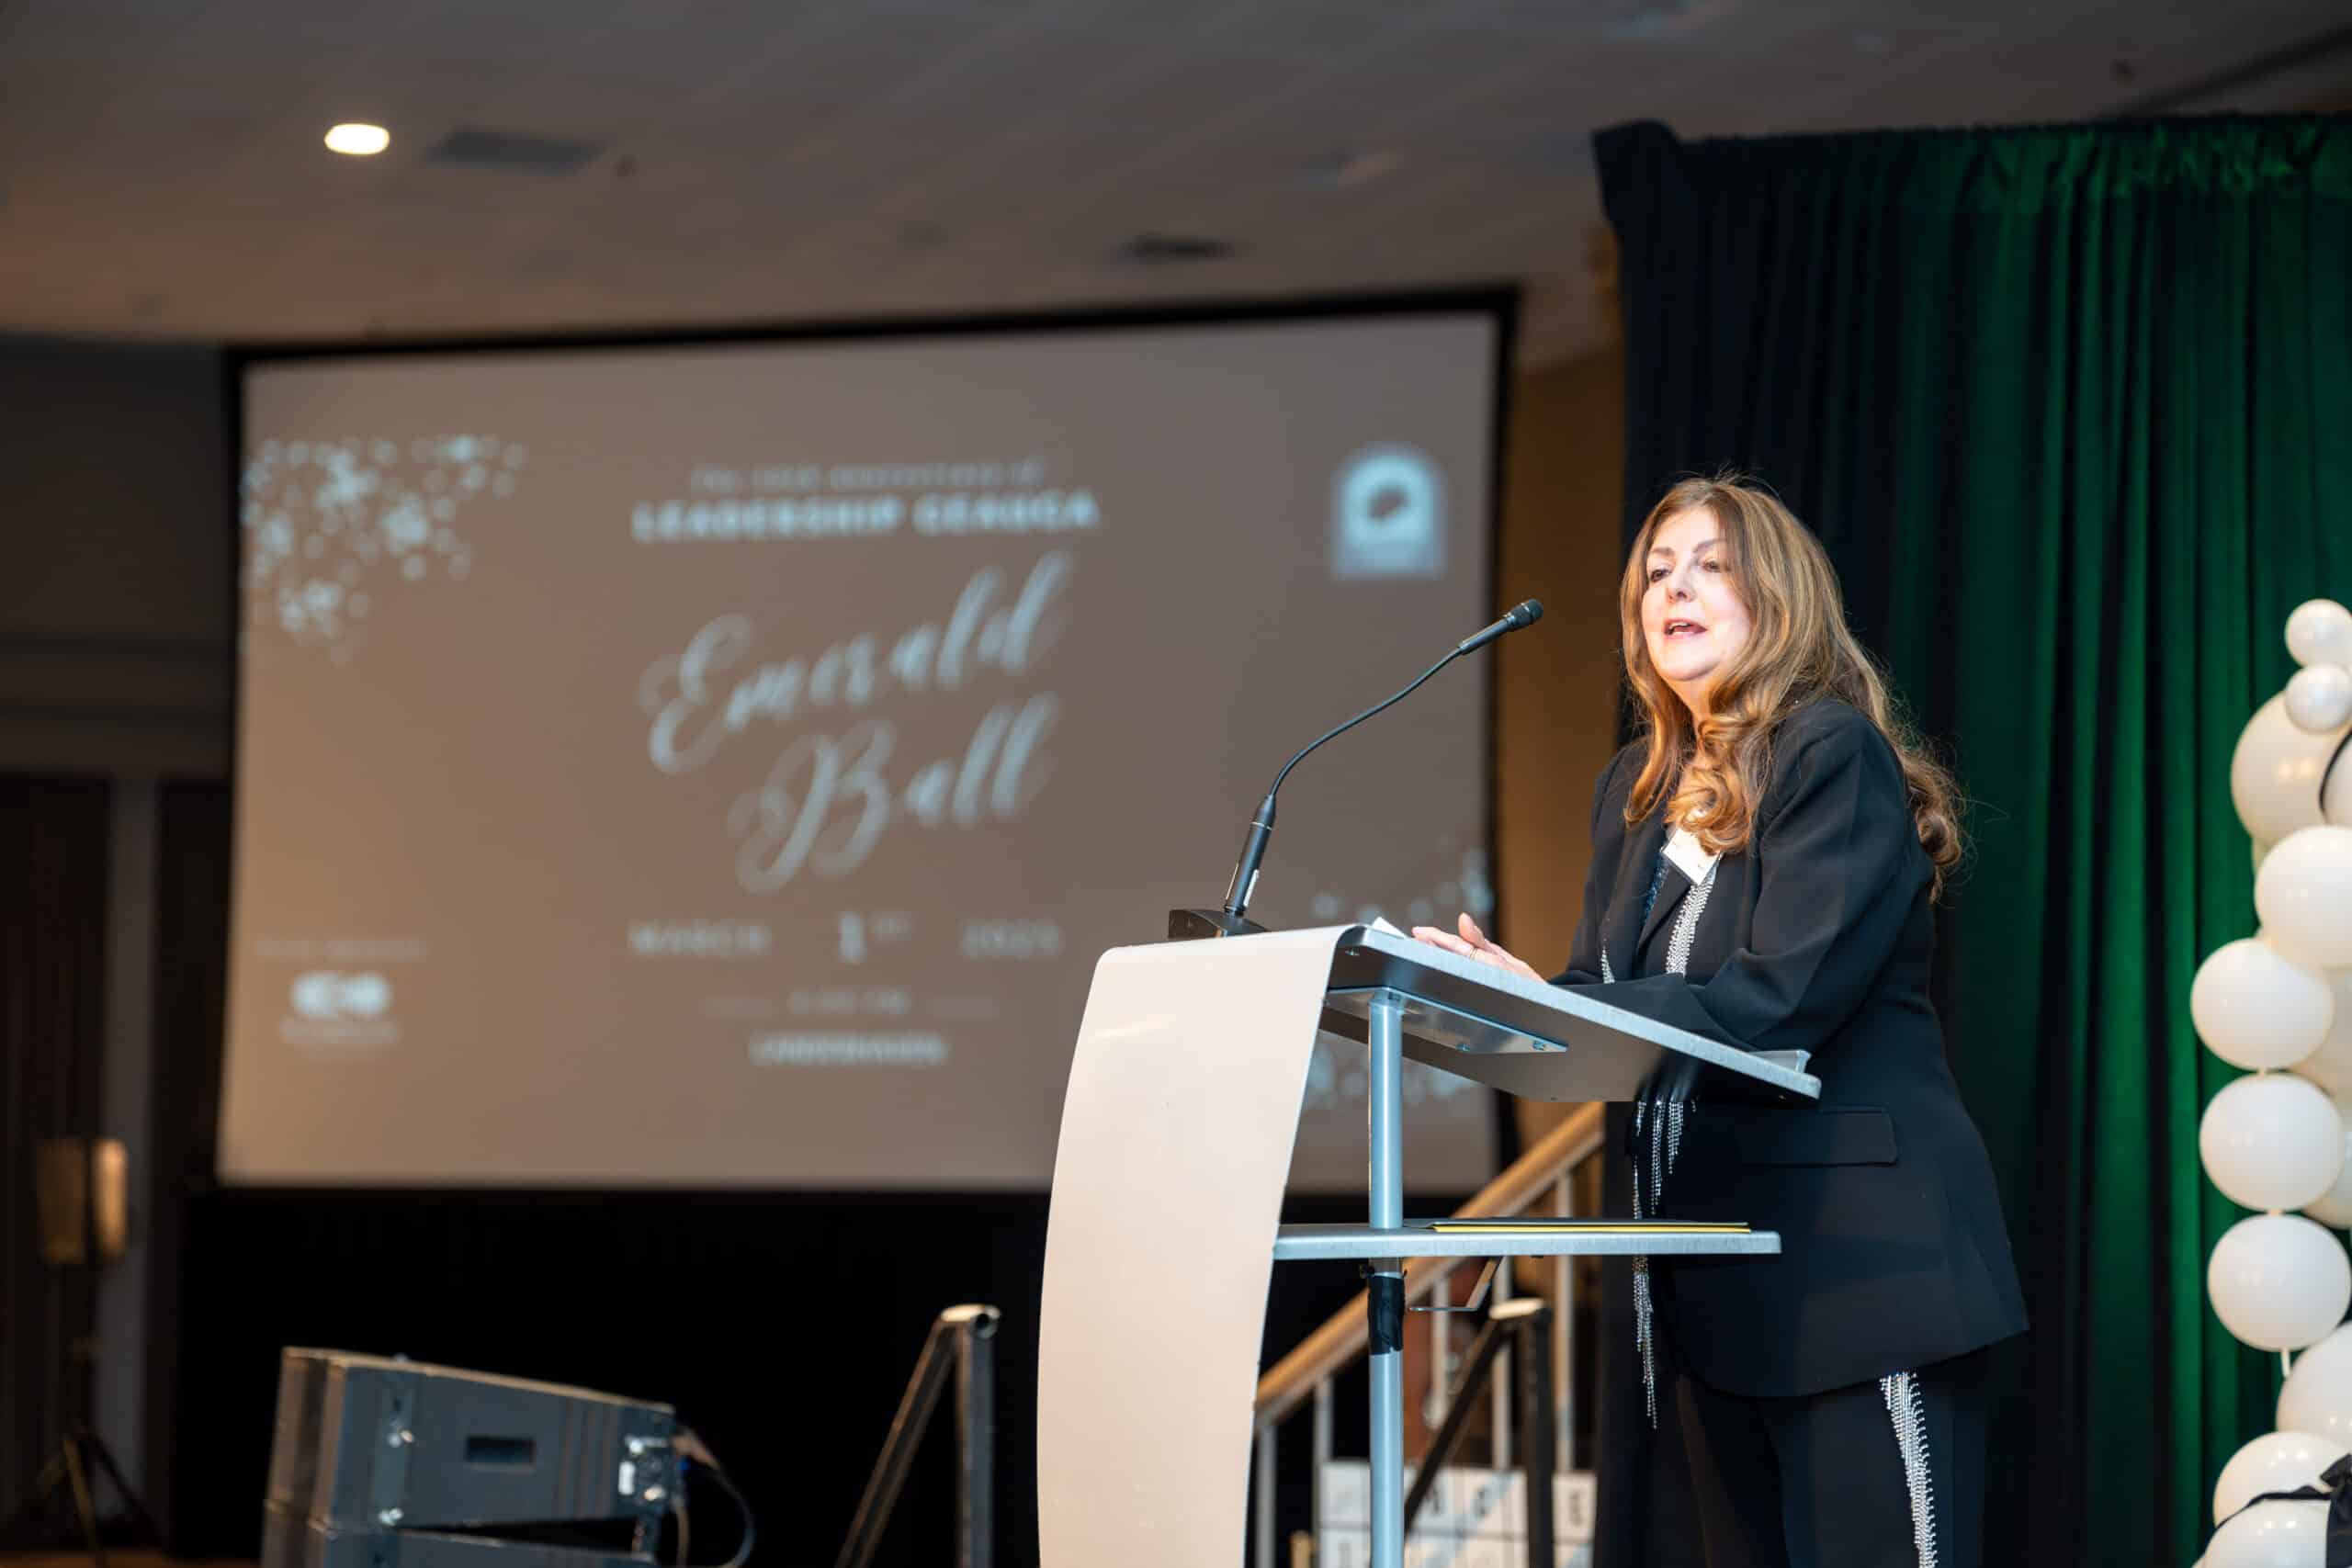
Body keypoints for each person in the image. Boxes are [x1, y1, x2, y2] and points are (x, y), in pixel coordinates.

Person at [1414, 475, 2027, 1568]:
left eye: (1710, 567)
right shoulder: (1635, 788)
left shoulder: (1827, 754)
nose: (1675, 590)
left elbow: (1776, 1002)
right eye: (1657, 572)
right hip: (1710, 1288)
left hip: (1859, 1275)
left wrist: (1558, 1005)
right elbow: (1598, 990)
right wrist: (1509, 1003)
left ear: (1775, 598)